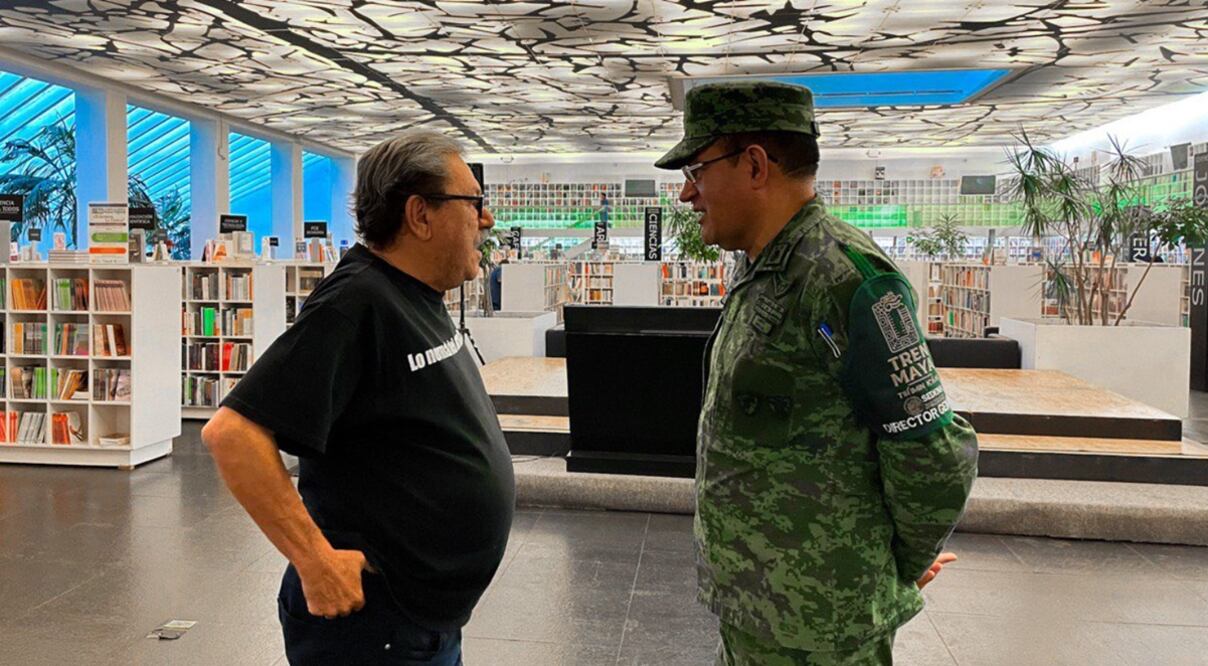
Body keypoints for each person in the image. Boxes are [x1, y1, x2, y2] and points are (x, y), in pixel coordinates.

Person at [654, 81, 979, 665]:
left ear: (754, 165)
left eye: (698, 171)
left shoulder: (844, 278)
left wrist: (887, 568)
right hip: (759, 611)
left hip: (821, 629)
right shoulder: (767, 268)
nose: (686, 194)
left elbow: (933, 454)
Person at [202, 130, 515, 666]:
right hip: (374, 630)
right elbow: (232, 434)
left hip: (421, 622)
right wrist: (316, 562)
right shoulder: (355, 303)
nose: (486, 221)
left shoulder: (416, 293)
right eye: (475, 204)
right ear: (420, 215)